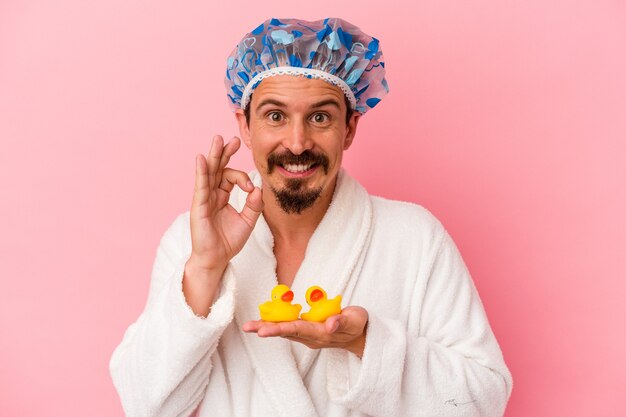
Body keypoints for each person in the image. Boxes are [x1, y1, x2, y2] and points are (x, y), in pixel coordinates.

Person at [109, 17, 513, 417]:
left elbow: (484, 402)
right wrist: (205, 268)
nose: (297, 143)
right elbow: (146, 406)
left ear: (349, 128)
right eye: (275, 116)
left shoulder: (414, 238)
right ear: (245, 127)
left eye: (320, 117)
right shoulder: (190, 242)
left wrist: (365, 344)